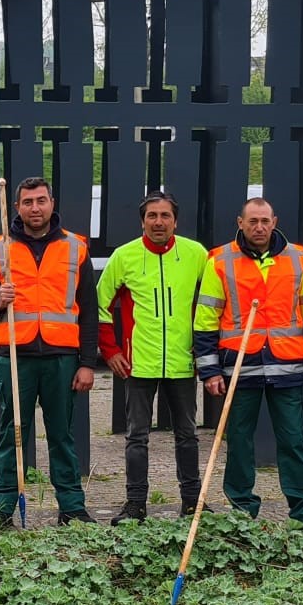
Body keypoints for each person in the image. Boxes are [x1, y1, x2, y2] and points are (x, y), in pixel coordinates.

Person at [192, 197, 303, 523]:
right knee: (239, 442)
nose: (259, 227)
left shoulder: (297, 259)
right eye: (252, 221)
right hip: (240, 367)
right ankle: (242, 509)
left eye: (265, 221)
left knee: (293, 440)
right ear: (240, 223)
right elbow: (205, 320)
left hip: (287, 366)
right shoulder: (220, 261)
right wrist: (209, 370)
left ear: (275, 221)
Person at [0, 177, 100, 526]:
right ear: (17, 208)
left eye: (41, 201)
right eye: (28, 202)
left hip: (62, 357)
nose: (35, 208)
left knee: (62, 435)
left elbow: (89, 310)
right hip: (15, 356)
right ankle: (0, 510)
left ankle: (72, 508)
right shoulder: (0, 248)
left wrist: (88, 363)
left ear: (52, 203)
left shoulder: (76, 248)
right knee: (12, 434)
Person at [97, 190, 209, 524]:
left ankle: (192, 502)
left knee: (188, 435)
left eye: (165, 216)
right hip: (139, 363)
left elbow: (214, 302)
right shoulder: (124, 256)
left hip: (182, 361)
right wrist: (112, 351)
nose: (158, 222)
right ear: (142, 220)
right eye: (152, 216)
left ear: (176, 220)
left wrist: (205, 349)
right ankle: (135, 505)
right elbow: (101, 305)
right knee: (137, 437)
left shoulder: (196, 254)